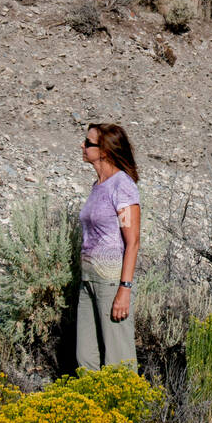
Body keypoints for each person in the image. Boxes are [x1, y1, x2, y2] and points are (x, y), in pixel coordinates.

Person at [76, 123, 141, 372]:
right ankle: (91, 409)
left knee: (118, 360)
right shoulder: (98, 185)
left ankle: (128, 410)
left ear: (103, 150)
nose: (82, 146)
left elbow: (133, 241)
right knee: (86, 358)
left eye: (88, 143)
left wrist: (124, 290)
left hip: (111, 281)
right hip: (88, 280)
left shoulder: (121, 185)